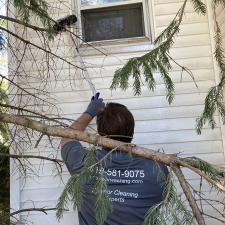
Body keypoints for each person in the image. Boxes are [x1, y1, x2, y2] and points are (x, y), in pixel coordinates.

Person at [61, 93, 168, 225]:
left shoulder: (83, 163)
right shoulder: (158, 170)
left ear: (100, 134)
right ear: (132, 133)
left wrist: (90, 112)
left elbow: (67, 137)